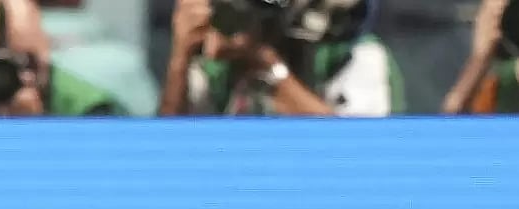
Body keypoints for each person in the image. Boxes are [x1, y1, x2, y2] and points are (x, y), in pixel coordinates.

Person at [160, 0, 405, 117]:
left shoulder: (357, 54)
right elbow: (166, 158)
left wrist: (267, 67)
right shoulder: (218, 56)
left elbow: (362, 160)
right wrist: (180, 58)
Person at [0, 0, 126, 117]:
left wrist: (35, 133)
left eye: (24, 63)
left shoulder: (89, 107)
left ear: (45, 53)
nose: (5, 79)